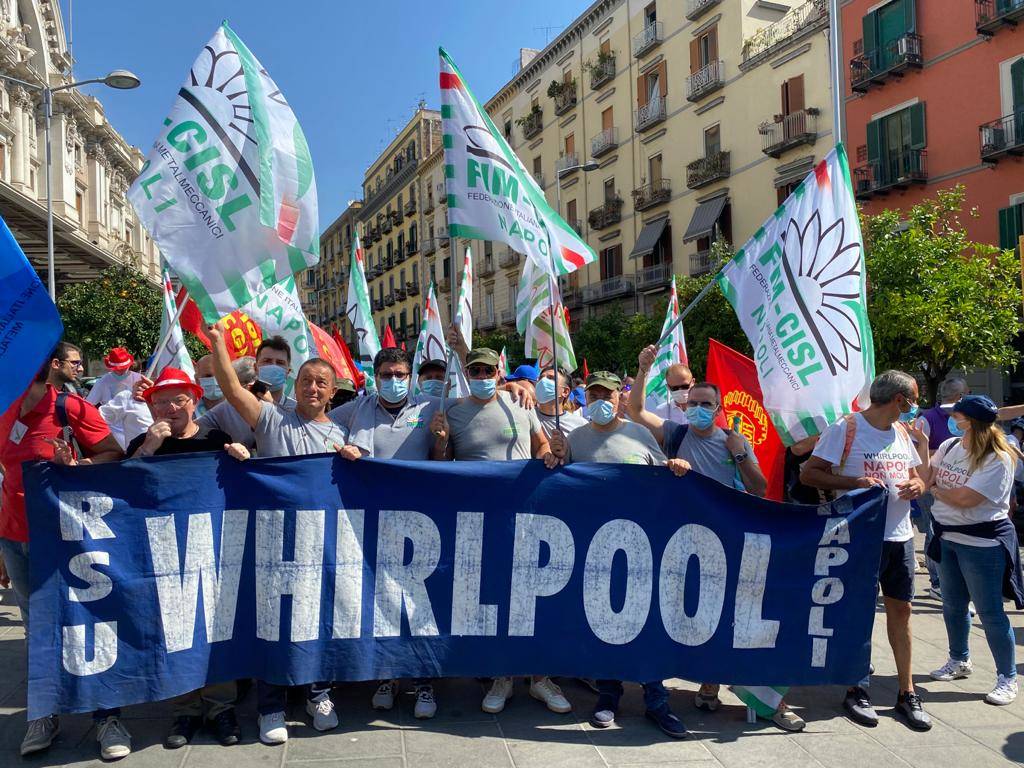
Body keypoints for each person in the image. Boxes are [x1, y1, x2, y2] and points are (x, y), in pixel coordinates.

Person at [207, 323, 346, 745]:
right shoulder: (271, 418)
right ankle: (271, 706)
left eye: (321, 383)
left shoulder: (340, 435)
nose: (313, 388)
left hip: (319, 545)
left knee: (318, 621)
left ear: (333, 392)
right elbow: (232, 391)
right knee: (274, 624)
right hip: (272, 544)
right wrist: (217, 345)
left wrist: (356, 457)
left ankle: (317, 694)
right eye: (306, 380)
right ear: (295, 385)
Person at [0, 342, 126, 759]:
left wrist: (77, 468)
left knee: (86, 623)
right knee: (38, 627)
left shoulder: (69, 408)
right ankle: (44, 712)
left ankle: (107, 718)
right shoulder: (2, 410)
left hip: (67, 536)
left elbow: (113, 453)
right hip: (16, 538)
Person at [548, 371, 689, 738]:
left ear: (619, 398)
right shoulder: (575, 438)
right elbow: (560, 486)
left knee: (647, 625)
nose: (599, 401)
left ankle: (656, 701)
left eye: (606, 395)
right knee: (603, 626)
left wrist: (675, 467)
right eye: (592, 394)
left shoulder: (639, 434)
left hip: (643, 547)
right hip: (595, 548)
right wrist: (555, 458)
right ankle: (608, 696)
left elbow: (662, 476)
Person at [429, 348, 566, 714]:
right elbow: (443, 463)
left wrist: (548, 456)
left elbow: (540, 447)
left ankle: (540, 679)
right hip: (482, 521)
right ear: (467, 372)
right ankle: (502, 677)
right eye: (475, 369)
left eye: (488, 369)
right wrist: (441, 441)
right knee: (496, 597)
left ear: (498, 371)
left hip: (528, 514)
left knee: (534, 595)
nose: (482, 374)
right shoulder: (453, 411)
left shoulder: (520, 401)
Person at [801, 370, 932, 731]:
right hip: (859, 538)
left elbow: (918, 476)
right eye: (913, 399)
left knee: (902, 611)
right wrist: (853, 483)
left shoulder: (902, 432)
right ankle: (856, 687)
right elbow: (809, 474)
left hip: (901, 537)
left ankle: (907, 693)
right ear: (899, 400)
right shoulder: (846, 429)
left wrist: (918, 485)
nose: (914, 406)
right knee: (858, 613)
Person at [122, 367, 246, 747]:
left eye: (178, 399)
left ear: (194, 402)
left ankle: (221, 707)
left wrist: (242, 455)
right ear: (151, 407)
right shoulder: (142, 442)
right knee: (174, 632)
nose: (170, 407)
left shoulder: (216, 438)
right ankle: (186, 711)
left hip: (210, 549)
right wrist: (148, 450)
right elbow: (124, 489)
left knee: (216, 626)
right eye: (160, 401)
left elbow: (243, 483)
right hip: (162, 554)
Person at [330, 347, 441, 718]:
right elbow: (315, 425)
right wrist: (340, 448)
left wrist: (519, 387)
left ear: (410, 377)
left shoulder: (429, 407)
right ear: (374, 377)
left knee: (421, 603)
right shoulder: (356, 409)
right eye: (387, 374)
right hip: (373, 521)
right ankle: (388, 674)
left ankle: (424, 681)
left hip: (423, 520)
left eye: (401, 374)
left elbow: (477, 404)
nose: (395, 381)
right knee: (383, 603)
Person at [925, 395, 1024, 706]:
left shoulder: (999, 456)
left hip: (982, 544)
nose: (952, 419)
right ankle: (959, 659)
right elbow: (927, 476)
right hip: (948, 538)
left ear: (969, 420)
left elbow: (967, 499)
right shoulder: (950, 447)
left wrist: (938, 490)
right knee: (953, 606)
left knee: (991, 612)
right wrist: (920, 447)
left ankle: (1007, 677)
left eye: (957, 415)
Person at [914, 375, 969, 599]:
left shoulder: (967, 418)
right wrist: (945, 453)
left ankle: (952, 579)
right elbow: (915, 456)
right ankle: (937, 582)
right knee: (933, 531)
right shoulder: (926, 419)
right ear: (960, 397)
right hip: (930, 486)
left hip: (958, 486)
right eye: (968, 393)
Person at [195, 356, 260, 448]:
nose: (215, 380)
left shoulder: (244, 409)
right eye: (208, 376)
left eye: (220, 375)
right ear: (197, 379)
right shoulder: (186, 409)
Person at [535, 365, 587, 438]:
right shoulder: (527, 415)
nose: (543, 381)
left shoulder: (580, 425)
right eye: (540, 378)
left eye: (551, 378)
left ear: (565, 392)